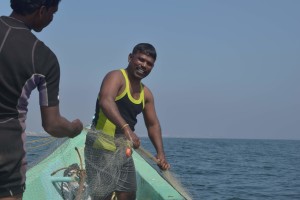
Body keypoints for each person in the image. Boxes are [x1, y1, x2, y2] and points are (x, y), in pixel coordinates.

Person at [0, 0, 83, 199]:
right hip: (6, 151)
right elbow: (52, 124)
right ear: (41, 11)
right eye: (52, 13)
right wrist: (74, 128)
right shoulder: (44, 57)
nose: (51, 19)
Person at [85, 43, 170, 200]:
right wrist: (127, 129)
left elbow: (153, 124)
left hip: (123, 149)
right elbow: (106, 101)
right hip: (100, 146)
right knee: (104, 195)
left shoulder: (146, 94)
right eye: (141, 59)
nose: (144, 65)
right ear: (130, 58)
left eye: (149, 64)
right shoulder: (115, 77)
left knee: (128, 194)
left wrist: (160, 154)